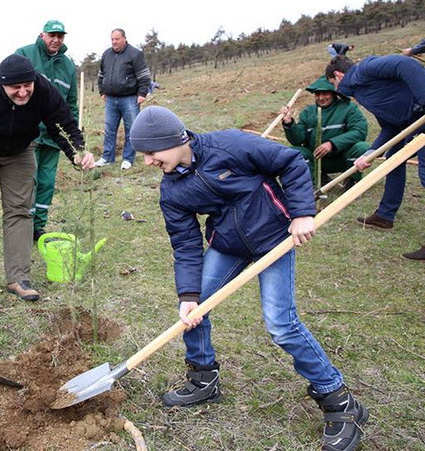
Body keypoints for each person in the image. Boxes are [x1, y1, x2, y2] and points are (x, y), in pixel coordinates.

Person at [131, 105, 368, 451]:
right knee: (193, 312)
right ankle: (203, 378)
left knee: (281, 324)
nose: (149, 161)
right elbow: (185, 244)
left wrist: (302, 212)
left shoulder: (230, 145)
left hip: (274, 237)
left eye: (151, 152)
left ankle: (341, 402)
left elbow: (291, 162)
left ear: (175, 140)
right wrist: (188, 294)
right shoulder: (172, 190)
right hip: (228, 245)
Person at [0, 54, 95, 309]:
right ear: (2, 84)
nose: (23, 92)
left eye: (27, 85)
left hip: (20, 152)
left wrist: (77, 151)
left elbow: (62, 123)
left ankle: (18, 278)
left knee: (19, 211)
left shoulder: (42, 89)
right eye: (15, 88)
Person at [326, 55, 425, 259]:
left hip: (421, 117)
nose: (335, 89)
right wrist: (370, 153)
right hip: (409, 124)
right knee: (393, 162)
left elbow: (404, 64)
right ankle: (385, 216)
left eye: (333, 83)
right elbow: (390, 127)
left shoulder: (367, 69)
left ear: (338, 74)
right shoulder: (362, 93)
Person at [15, 19, 79, 242]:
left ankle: (38, 227)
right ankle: (22, 223)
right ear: (42, 35)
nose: (56, 39)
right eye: (52, 35)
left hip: (53, 136)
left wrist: (73, 140)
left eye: (60, 36)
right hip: (28, 134)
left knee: (46, 182)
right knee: (27, 180)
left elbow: (71, 105)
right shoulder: (25, 53)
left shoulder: (69, 67)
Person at [280, 76, 369, 187]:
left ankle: (351, 179)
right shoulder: (308, 112)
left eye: (325, 93)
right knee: (295, 152)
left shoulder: (349, 108)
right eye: (318, 94)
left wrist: (332, 144)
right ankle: (313, 181)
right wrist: (289, 123)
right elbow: (297, 141)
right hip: (317, 159)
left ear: (333, 93)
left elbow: (359, 132)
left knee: (361, 147)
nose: (321, 98)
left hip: (343, 158)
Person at [95, 28, 151, 170]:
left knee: (131, 129)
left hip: (130, 99)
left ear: (124, 39)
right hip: (110, 99)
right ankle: (107, 157)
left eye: (117, 39)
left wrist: (142, 94)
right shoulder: (106, 54)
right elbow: (101, 75)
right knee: (109, 129)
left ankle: (128, 159)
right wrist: (102, 91)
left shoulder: (135, 54)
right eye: (112, 39)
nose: (114, 41)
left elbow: (144, 75)